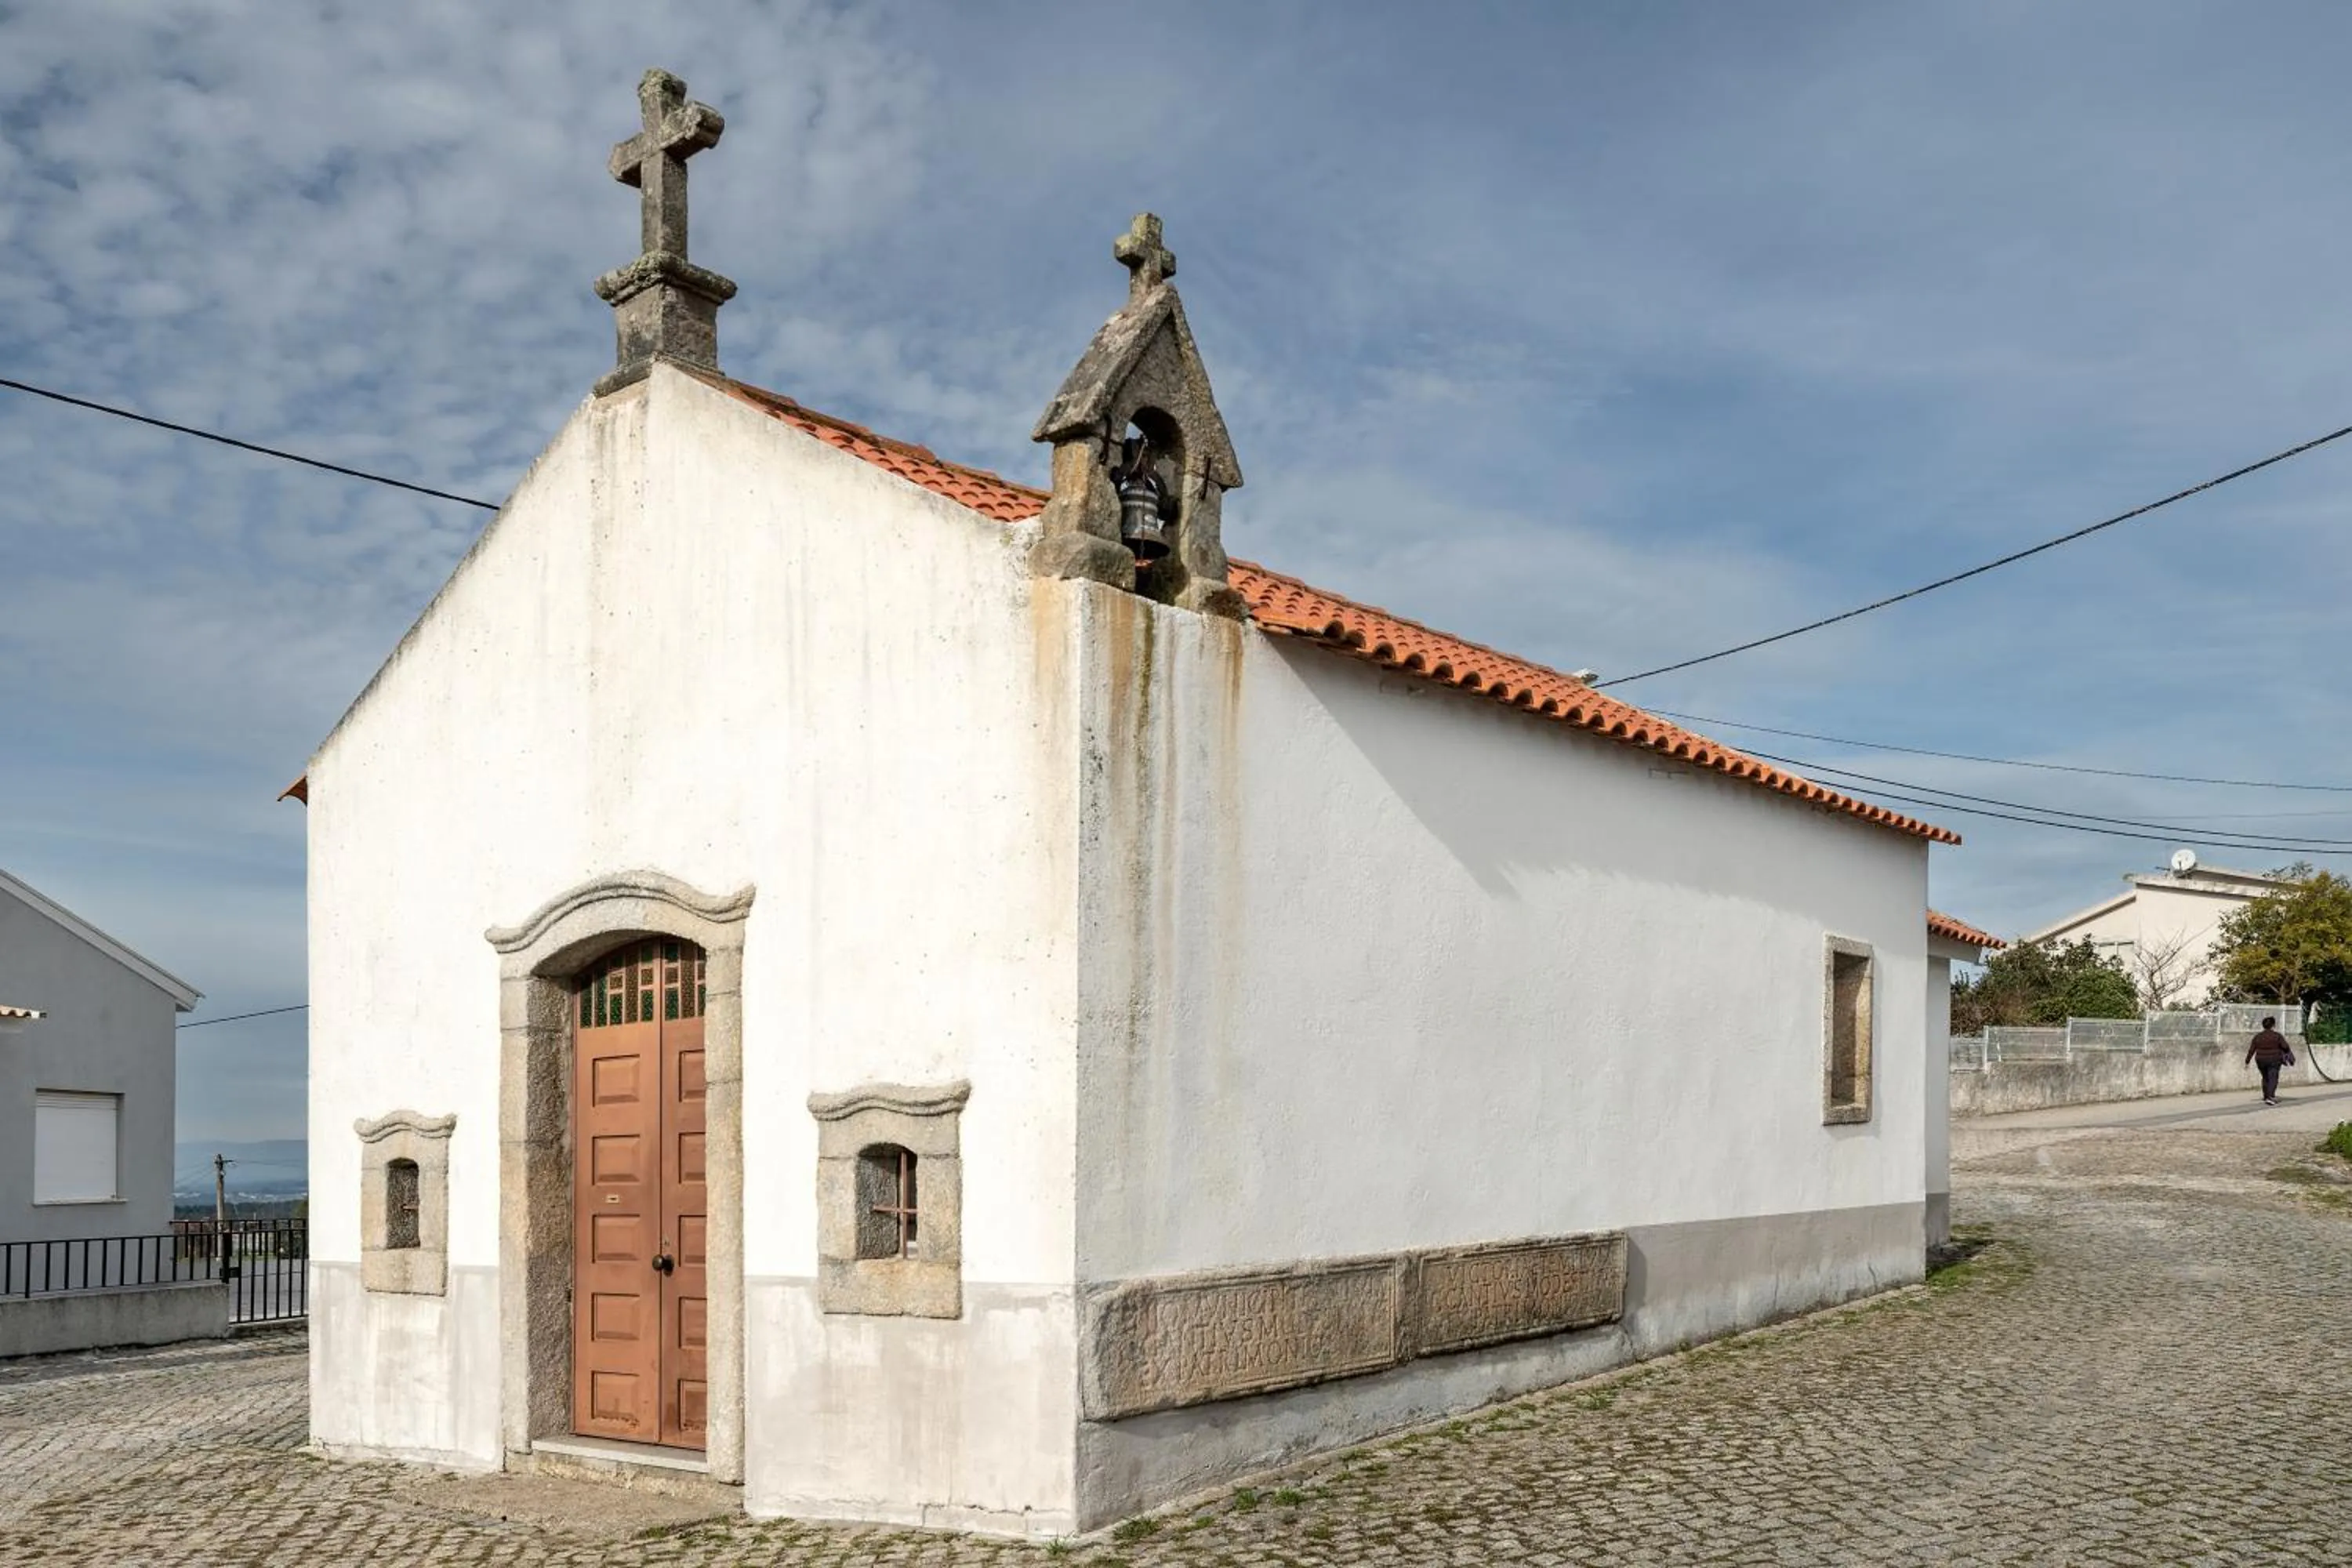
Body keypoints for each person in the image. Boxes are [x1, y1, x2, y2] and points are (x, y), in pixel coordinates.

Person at [2245, 1016, 2296, 1106]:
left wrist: (2247, 1061)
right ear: (2273, 1025)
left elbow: (2251, 1050)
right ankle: (2270, 1097)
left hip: (2261, 1060)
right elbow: (2285, 1047)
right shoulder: (2277, 1036)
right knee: (2273, 1078)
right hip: (2274, 1059)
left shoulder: (2258, 1037)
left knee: (2265, 1077)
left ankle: (2266, 1096)